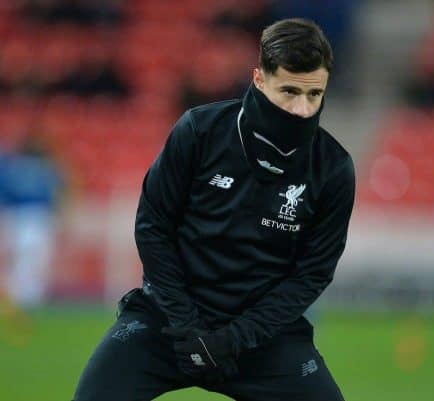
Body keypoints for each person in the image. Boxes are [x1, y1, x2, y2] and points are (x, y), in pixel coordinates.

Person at [72, 18, 355, 401]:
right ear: (259, 79)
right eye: (289, 91)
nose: (303, 109)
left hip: (262, 337)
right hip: (169, 322)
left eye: (314, 95)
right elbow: (153, 227)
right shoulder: (199, 132)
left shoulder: (333, 167)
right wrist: (187, 327)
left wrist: (234, 339)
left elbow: (312, 274)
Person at [0, 134, 63, 308]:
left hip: (17, 217)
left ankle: (20, 298)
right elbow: (56, 195)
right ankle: (27, 298)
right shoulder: (46, 168)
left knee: (21, 261)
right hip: (38, 218)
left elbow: (5, 195)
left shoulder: (12, 167)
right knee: (35, 261)